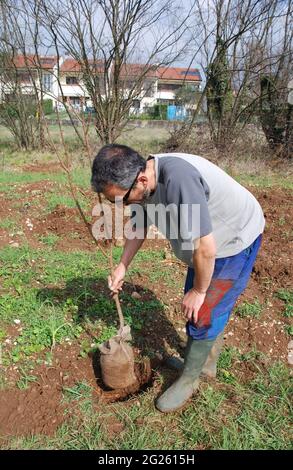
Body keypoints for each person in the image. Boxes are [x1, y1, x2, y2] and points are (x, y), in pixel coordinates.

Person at [91, 144, 265, 413]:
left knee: (206, 310)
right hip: (205, 245)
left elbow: (206, 249)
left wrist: (198, 290)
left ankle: (193, 376)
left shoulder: (178, 181)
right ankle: (201, 362)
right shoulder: (141, 185)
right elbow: (138, 227)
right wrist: (122, 265)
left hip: (233, 240)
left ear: (142, 180)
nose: (123, 205)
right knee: (197, 310)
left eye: (123, 199)